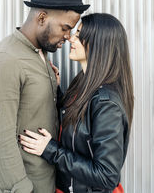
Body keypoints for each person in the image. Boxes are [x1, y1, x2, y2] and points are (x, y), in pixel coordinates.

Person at [0, 0, 90, 193]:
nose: (68, 37)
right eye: (65, 28)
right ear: (41, 18)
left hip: (46, 183)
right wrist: (22, 189)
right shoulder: (4, 61)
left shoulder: (41, 56)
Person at [19, 13, 134, 193]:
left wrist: (50, 150)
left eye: (79, 35)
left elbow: (106, 175)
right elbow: (77, 126)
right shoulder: (82, 84)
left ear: (98, 44)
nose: (71, 38)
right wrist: (56, 91)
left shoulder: (106, 104)